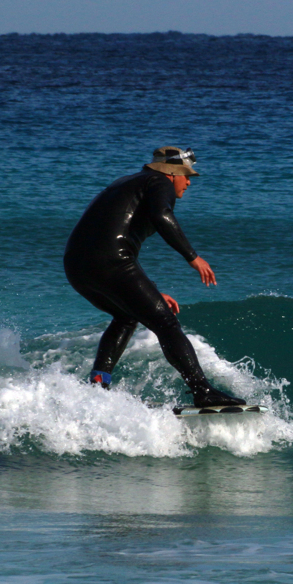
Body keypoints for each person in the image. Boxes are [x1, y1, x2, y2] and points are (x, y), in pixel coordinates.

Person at [63, 146, 245, 407]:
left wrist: (152, 290)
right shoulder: (160, 181)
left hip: (77, 266)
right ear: (173, 173)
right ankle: (203, 392)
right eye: (187, 176)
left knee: (127, 316)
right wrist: (193, 257)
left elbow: (111, 242)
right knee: (167, 324)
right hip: (111, 261)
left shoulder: (126, 182)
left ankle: (98, 385)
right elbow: (162, 216)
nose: (189, 183)